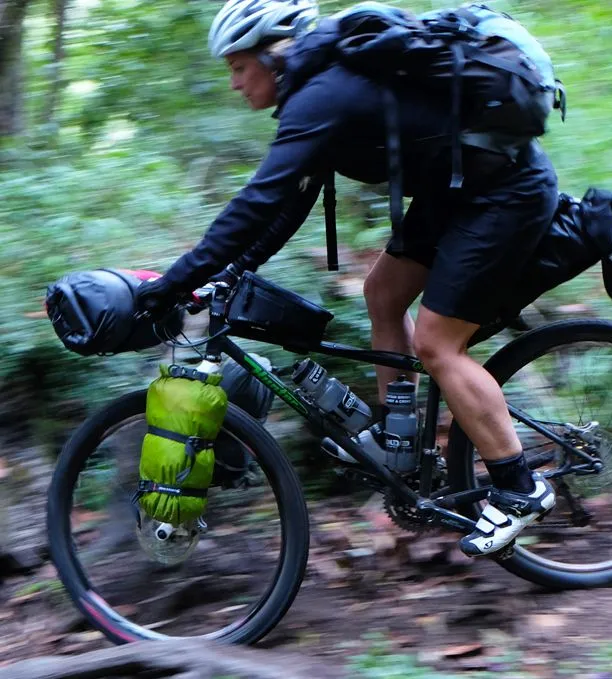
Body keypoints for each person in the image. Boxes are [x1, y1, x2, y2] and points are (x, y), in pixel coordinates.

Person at [136, 0, 557, 557]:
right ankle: (398, 440)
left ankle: (518, 486)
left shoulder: (323, 94)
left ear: (272, 54)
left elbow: (257, 200)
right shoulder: (318, 94)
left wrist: (174, 281)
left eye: (239, 67)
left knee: (437, 343)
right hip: (459, 193)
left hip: (503, 194)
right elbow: (285, 206)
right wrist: (229, 272)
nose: (235, 83)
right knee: (382, 293)